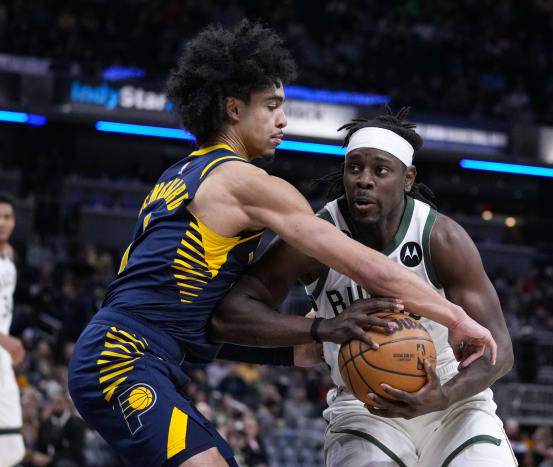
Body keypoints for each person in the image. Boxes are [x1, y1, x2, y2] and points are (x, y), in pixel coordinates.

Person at [67, 21, 496, 467]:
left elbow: (197, 313)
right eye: (271, 106)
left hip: (135, 350)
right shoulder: (246, 182)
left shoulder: (179, 175)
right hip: (124, 356)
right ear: (234, 109)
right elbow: (366, 265)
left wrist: (308, 339)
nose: (283, 120)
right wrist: (454, 317)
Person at [210, 108, 516, 466]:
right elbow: (233, 311)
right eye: (354, 168)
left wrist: (444, 396)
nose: (363, 180)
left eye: (380, 170)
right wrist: (319, 329)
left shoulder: (441, 237)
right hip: (362, 402)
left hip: (450, 397)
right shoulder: (312, 235)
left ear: (407, 177)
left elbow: (501, 351)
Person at [0, 193, 25, 467]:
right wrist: (5, 341)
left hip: (2, 356)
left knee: (10, 446)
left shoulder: (9, 257)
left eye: (6, 217)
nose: (2, 222)